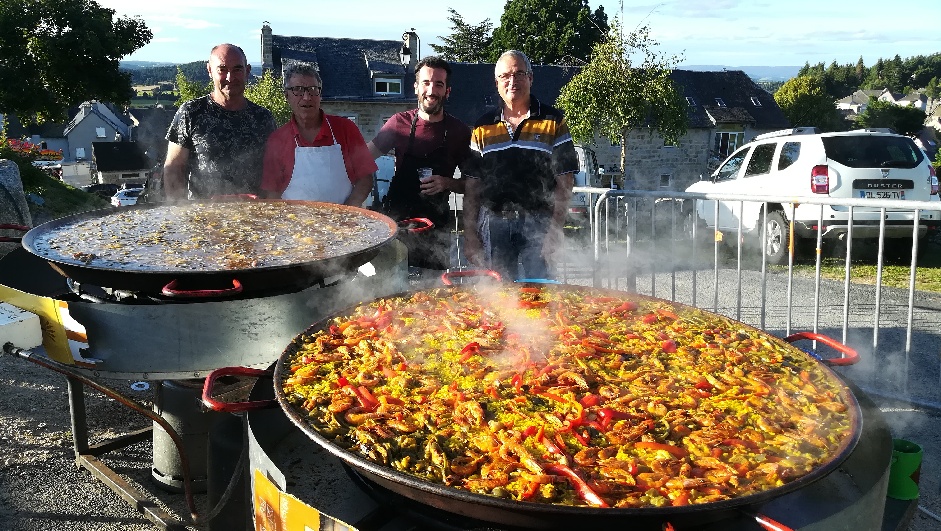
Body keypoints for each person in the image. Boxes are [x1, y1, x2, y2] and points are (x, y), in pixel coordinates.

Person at [462, 50, 578, 281]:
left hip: (539, 223)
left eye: (519, 74)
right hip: (494, 224)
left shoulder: (553, 121)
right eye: (505, 76)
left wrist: (555, 230)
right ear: (497, 83)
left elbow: (565, 182)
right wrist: (470, 236)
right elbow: (472, 186)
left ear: (530, 78)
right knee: (500, 291)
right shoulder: (483, 127)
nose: (512, 81)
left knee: (540, 290)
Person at [367, 56, 471, 271]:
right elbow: (363, 160)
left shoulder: (459, 131)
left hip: (436, 230)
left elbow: (473, 184)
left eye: (439, 84)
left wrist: (447, 183)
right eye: (426, 83)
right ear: (416, 87)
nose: (431, 90)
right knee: (392, 286)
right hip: (397, 225)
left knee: (433, 289)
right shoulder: (398, 123)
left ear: (447, 91)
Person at [163, 44, 276, 200]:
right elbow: (174, 168)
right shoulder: (191, 113)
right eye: (222, 70)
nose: (230, 77)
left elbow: (274, 172)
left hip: (254, 213)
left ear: (247, 71)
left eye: (237, 69)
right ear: (210, 71)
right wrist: (179, 210)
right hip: (202, 213)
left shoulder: (263, 118)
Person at [261, 63, 375, 205]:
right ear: (286, 95)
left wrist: (347, 210)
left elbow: (365, 178)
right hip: (294, 218)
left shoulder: (346, 129)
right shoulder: (277, 140)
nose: (307, 97)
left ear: (320, 95)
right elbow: (272, 193)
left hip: (343, 216)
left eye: (313, 89)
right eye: (298, 90)